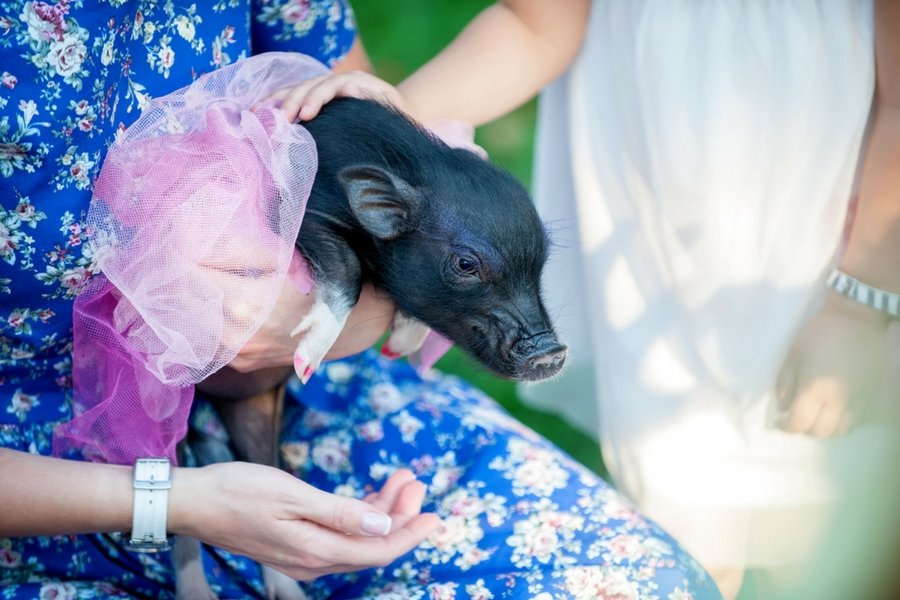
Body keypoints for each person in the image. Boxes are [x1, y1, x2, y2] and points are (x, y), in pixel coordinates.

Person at [0, 1, 720, 598]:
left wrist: (345, 311)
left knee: (645, 583)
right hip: (49, 478)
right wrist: (175, 503)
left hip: (294, 382)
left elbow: (358, 141)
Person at [284, 0, 900, 598]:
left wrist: (862, 300)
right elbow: (537, 21)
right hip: (645, 194)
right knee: (682, 491)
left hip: (819, 202)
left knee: (819, 504)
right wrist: (396, 142)